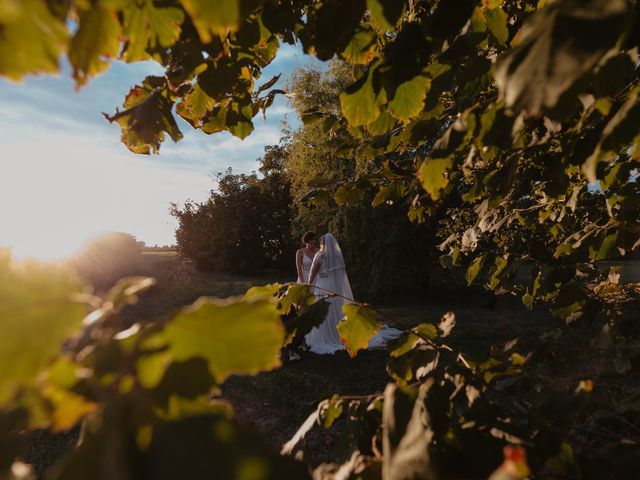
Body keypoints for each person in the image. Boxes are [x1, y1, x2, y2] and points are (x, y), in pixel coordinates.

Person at [305, 233, 402, 355]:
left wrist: (309, 285)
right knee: (336, 312)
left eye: (320, 241)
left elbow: (313, 273)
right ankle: (340, 335)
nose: (319, 243)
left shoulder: (319, 255)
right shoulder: (335, 256)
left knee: (324, 313)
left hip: (323, 286)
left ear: (323, 243)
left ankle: (327, 336)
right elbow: (340, 276)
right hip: (335, 289)